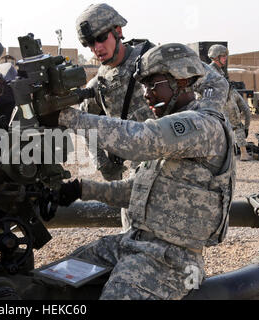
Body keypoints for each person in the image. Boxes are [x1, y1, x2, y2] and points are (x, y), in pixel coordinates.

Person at [41, 43, 236, 300]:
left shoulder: (203, 125)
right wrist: (80, 189)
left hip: (171, 261)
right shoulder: (173, 131)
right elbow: (136, 192)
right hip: (132, 244)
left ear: (182, 80)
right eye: (143, 86)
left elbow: (139, 140)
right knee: (50, 281)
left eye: (153, 85)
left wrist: (67, 117)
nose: (146, 94)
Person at [75, 3, 230, 231]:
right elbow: (88, 122)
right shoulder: (99, 84)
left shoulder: (156, 59)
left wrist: (202, 124)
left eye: (100, 38)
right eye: (89, 43)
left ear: (118, 31)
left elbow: (216, 83)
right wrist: (105, 164)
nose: (96, 48)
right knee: (132, 238)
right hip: (140, 177)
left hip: (177, 172)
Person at [208, 44, 252, 161]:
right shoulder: (211, 71)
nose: (225, 58)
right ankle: (243, 153)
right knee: (236, 126)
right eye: (223, 56)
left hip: (224, 101)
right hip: (224, 103)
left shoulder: (216, 70)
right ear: (216, 57)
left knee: (228, 128)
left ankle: (231, 153)